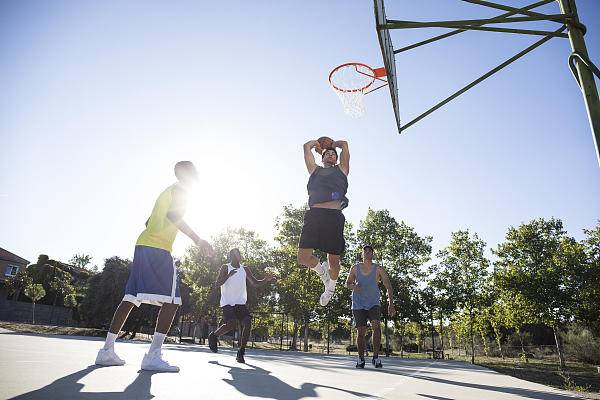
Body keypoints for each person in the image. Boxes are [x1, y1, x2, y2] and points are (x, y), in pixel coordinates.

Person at [95, 161, 214, 372]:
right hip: (158, 249)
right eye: (195, 170)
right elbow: (173, 216)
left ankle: (106, 351)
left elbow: (148, 221)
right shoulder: (181, 190)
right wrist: (198, 239)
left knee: (130, 297)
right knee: (173, 301)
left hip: (143, 244)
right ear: (186, 174)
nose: (198, 173)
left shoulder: (168, 191)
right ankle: (153, 355)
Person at [297, 139, 349, 306]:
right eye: (328, 154)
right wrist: (318, 145)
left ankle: (330, 289)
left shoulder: (342, 169)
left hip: (333, 216)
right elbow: (306, 147)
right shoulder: (315, 170)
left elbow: (345, 145)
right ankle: (323, 274)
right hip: (315, 214)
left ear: (337, 159)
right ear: (322, 157)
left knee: (334, 261)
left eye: (333, 154)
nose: (331, 155)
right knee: (303, 258)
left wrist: (333, 144)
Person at [208, 248, 275, 363]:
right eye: (234, 255)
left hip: (240, 302)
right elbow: (217, 284)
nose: (237, 257)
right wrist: (228, 275)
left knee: (247, 322)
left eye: (238, 254)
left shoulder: (245, 269)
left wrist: (266, 280)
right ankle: (214, 336)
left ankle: (241, 351)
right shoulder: (225, 267)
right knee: (231, 324)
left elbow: (255, 283)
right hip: (227, 302)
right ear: (231, 257)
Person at [345, 245, 395, 369]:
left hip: (373, 303)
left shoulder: (378, 269)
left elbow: (388, 285)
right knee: (361, 331)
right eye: (365, 251)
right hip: (358, 303)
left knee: (376, 327)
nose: (367, 253)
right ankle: (361, 359)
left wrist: (391, 304)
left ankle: (376, 358)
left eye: (370, 251)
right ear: (362, 255)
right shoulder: (355, 268)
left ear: (372, 255)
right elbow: (347, 283)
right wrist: (353, 287)